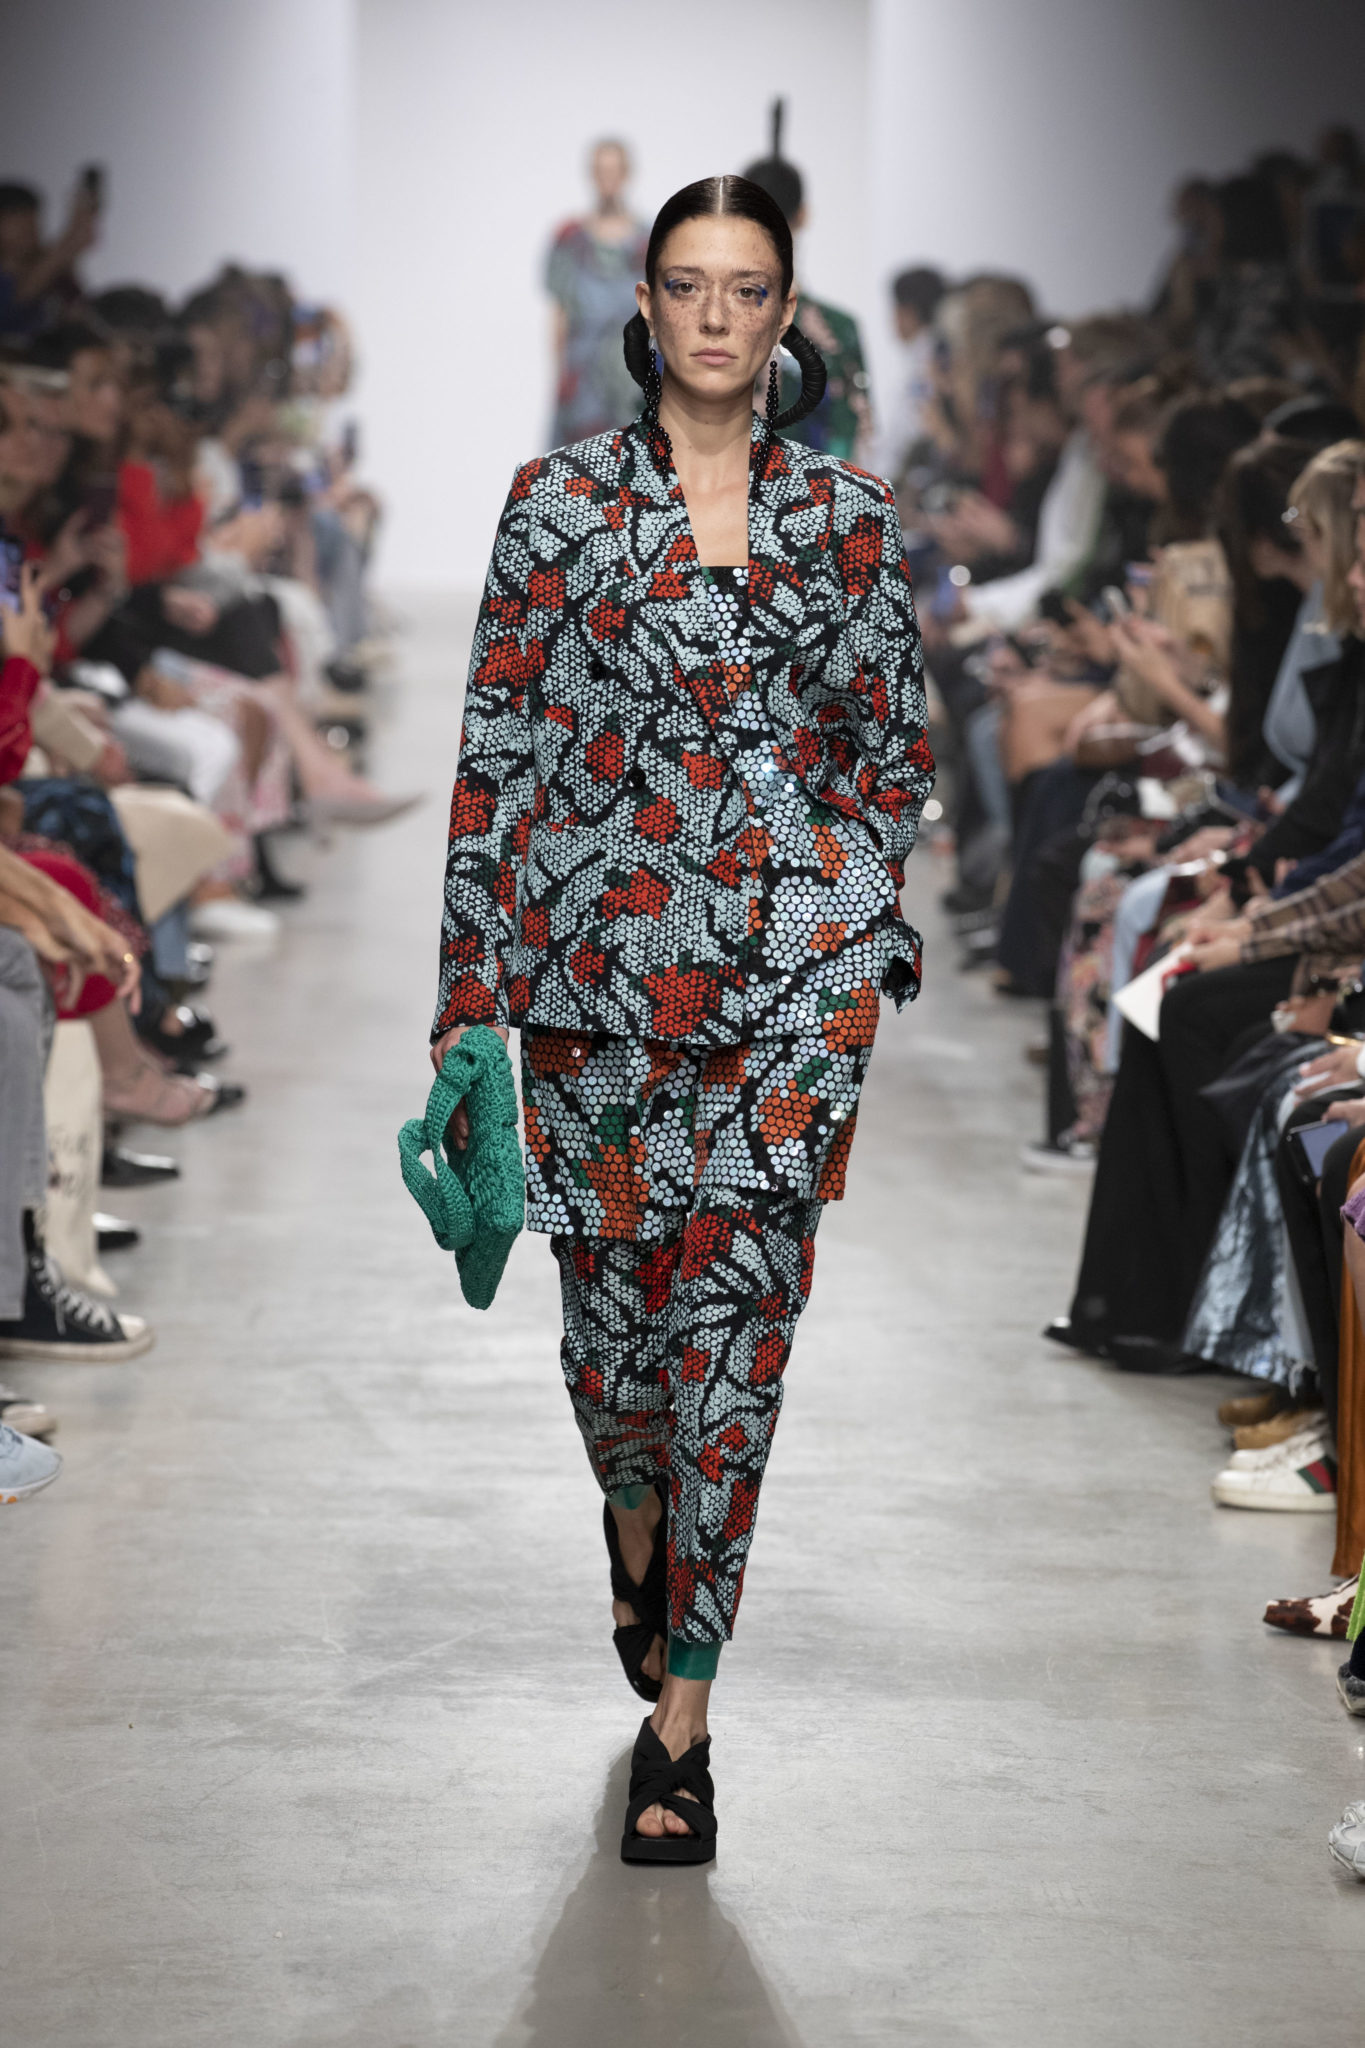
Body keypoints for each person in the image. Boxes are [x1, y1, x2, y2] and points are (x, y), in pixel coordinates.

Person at [428, 174, 933, 1861]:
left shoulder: (849, 516)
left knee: (736, 1353)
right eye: (688, 285)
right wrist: (465, 1001)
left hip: (787, 1012)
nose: (717, 316)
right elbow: (496, 755)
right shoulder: (556, 506)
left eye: (748, 287)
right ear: (642, 304)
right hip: (591, 1000)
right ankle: (634, 1520)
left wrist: (829, 941)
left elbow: (892, 763)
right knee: (614, 1360)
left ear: (788, 314)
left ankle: (685, 1723)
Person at [743, 131, 874, 463]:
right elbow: (852, 447)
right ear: (803, 215)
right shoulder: (838, 332)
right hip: (818, 494)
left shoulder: (701, 326)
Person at [545, 140, 649, 448]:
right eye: (601, 172)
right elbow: (559, 314)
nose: (608, 180)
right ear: (591, 175)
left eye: (614, 171)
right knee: (575, 465)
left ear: (627, 174)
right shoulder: (570, 239)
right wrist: (561, 378)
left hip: (632, 378)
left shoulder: (648, 241)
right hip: (582, 381)